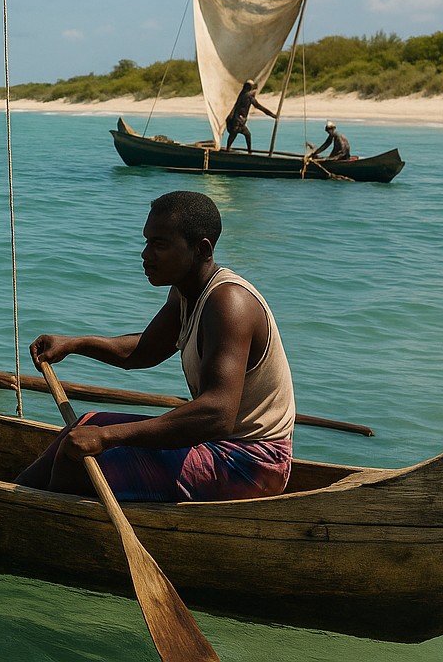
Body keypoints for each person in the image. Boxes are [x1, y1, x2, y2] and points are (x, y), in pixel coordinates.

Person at [17, 190, 295, 502]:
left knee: (78, 459)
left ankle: (49, 519)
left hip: (250, 462)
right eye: (147, 242)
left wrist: (107, 437)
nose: (145, 254)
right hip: (217, 444)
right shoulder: (185, 293)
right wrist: (75, 343)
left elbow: (218, 413)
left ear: (202, 249)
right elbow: (141, 351)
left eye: (159, 245)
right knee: (84, 426)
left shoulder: (229, 303)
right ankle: (18, 496)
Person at [224, 79, 277, 152]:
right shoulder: (248, 96)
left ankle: (247, 151)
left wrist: (272, 115)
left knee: (245, 134)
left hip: (238, 119)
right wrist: (272, 115)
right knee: (237, 133)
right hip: (238, 120)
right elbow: (259, 106)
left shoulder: (242, 94)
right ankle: (233, 150)